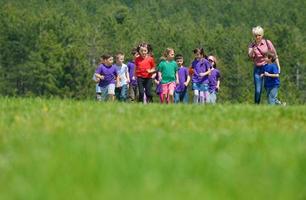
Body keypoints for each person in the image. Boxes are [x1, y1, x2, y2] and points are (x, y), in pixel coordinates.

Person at [248, 26, 281, 104]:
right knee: (258, 90)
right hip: (258, 69)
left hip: (267, 68)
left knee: (270, 88)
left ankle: (277, 102)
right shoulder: (251, 45)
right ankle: (256, 106)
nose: (257, 37)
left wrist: (278, 67)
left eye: (259, 35)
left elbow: (274, 55)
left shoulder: (267, 42)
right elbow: (250, 55)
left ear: (262, 35)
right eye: (255, 35)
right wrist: (253, 48)